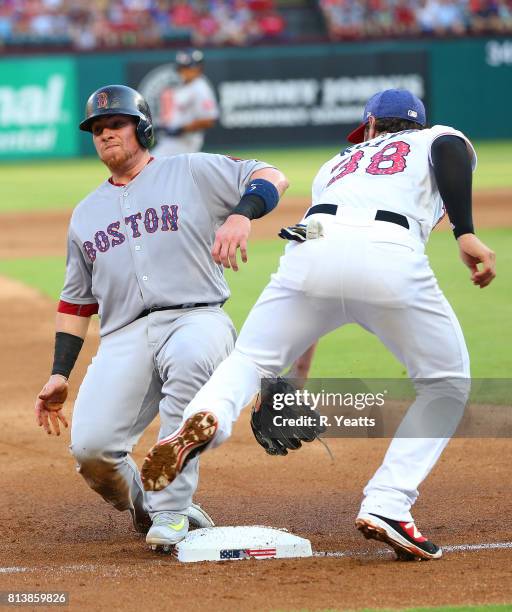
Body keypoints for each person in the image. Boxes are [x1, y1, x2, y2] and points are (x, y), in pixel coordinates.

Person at [141, 88, 496, 560]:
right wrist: (465, 231)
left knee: (249, 359)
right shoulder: (436, 137)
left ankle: (199, 421)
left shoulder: (339, 162)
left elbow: (317, 249)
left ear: (369, 127)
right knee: (447, 383)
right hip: (388, 249)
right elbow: (451, 151)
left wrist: (293, 378)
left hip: (310, 252)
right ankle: (388, 503)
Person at [33, 84, 288, 552]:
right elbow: (75, 302)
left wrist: (241, 215)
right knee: (92, 454)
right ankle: (148, 503)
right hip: (123, 335)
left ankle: (171, 510)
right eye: (97, 129)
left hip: (197, 318)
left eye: (116, 124)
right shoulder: (86, 214)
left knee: (191, 361)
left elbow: (271, 175)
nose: (105, 134)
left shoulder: (190, 170)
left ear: (143, 128)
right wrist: (58, 373)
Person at [152, 49, 219, 156]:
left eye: (187, 67)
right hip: (172, 141)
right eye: (182, 67)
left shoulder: (200, 88)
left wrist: (181, 129)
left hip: (185, 142)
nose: (183, 71)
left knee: (151, 166)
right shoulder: (186, 86)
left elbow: (209, 119)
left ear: (198, 68)